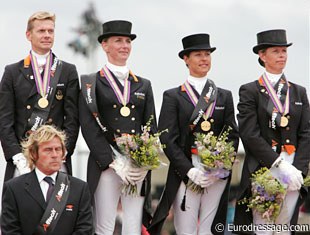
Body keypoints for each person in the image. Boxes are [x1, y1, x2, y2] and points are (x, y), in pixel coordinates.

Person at [148, 33, 239, 235]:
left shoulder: (224, 95)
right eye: (198, 54)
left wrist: (220, 165)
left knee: (210, 229)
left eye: (207, 54)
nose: (204, 59)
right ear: (186, 59)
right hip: (186, 172)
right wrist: (189, 170)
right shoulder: (173, 96)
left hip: (215, 174)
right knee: (186, 230)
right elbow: (167, 139)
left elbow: (232, 134)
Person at [79, 20, 156, 235]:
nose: (125, 45)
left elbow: (150, 126)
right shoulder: (90, 83)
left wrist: (142, 163)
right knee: (104, 224)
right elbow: (88, 127)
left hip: (135, 167)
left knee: (133, 224)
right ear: (105, 45)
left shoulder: (143, 84)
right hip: (106, 164)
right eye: (118, 41)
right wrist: (113, 162)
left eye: (128, 41)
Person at [234, 29, 310, 234]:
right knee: (264, 228)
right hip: (265, 169)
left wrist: (299, 169)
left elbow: (306, 132)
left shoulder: (298, 91)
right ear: (262, 55)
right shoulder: (250, 90)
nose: (282, 55)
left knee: (285, 228)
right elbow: (249, 133)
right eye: (276, 51)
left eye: (284, 51)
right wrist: (278, 165)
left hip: (294, 169)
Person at [0, 11, 79, 182]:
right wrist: (17, 156)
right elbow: (5, 120)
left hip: (56, 157)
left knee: (59, 207)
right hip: (23, 158)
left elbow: (72, 119)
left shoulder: (68, 71)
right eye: (41, 31)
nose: (47, 35)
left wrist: (63, 152)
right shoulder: (12, 72)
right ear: (29, 35)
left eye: (51, 31)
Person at [1, 125, 93, 235]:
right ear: (34, 154)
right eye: (48, 150)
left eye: (58, 149)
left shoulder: (79, 189)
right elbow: (10, 230)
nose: (54, 155)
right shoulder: (14, 189)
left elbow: (85, 229)